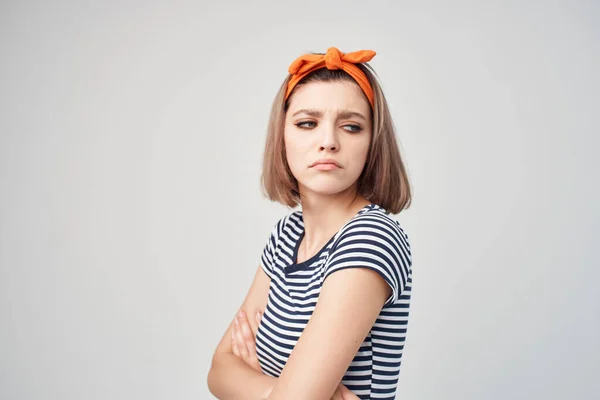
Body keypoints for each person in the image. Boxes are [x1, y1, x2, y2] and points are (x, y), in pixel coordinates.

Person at [207, 46, 413, 400]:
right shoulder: (287, 234)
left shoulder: (372, 237)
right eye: (307, 123)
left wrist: (261, 383)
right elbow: (218, 371)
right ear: (282, 136)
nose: (328, 142)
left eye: (351, 127)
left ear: (372, 144)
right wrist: (279, 391)